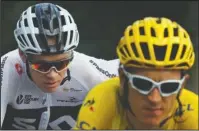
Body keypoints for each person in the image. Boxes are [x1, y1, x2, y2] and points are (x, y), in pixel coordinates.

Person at [1, 3, 119, 130]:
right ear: (22, 55)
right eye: (41, 66)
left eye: (61, 64)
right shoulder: (7, 70)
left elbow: (131, 72)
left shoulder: (86, 71)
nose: (52, 75)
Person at [73, 17, 198, 130]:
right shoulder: (103, 100)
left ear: (182, 86)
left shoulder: (193, 113)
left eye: (169, 87)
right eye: (143, 84)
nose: (154, 99)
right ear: (122, 80)